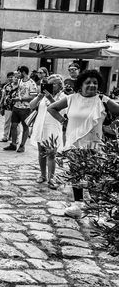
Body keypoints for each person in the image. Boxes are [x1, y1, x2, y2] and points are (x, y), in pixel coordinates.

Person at [48, 69, 119, 218]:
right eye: (88, 82)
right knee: (76, 176)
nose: (92, 85)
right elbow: (51, 108)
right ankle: (78, 206)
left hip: (95, 145)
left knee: (95, 177)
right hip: (74, 144)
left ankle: (97, 210)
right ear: (81, 85)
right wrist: (63, 121)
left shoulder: (102, 99)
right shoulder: (71, 98)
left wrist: (112, 129)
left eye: (95, 82)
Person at [29, 74, 66, 189]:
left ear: (60, 85)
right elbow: (31, 106)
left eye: (54, 83)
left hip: (53, 127)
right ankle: (43, 175)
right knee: (41, 152)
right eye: (49, 84)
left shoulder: (63, 97)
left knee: (51, 153)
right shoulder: (43, 97)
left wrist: (50, 98)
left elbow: (61, 110)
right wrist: (40, 97)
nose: (51, 86)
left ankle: (51, 178)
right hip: (41, 126)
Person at [3, 65, 37, 153]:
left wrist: (20, 99)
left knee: (25, 126)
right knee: (13, 125)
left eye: (18, 72)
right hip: (16, 106)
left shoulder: (31, 83)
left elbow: (33, 97)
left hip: (26, 108)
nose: (17, 74)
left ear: (23, 72)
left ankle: (22, 145)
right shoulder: (19, 81)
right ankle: (13, 144)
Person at [0, 71, 18, 142]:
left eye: (14, 77)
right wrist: (0, 106)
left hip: (17, 106)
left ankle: (15, 138)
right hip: (8, 106)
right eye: (12, 77)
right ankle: (5, 136)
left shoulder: (19, 86)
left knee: (16, 123)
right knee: (7, 122)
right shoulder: (6, 86)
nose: (13, 78)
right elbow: (3, 96)